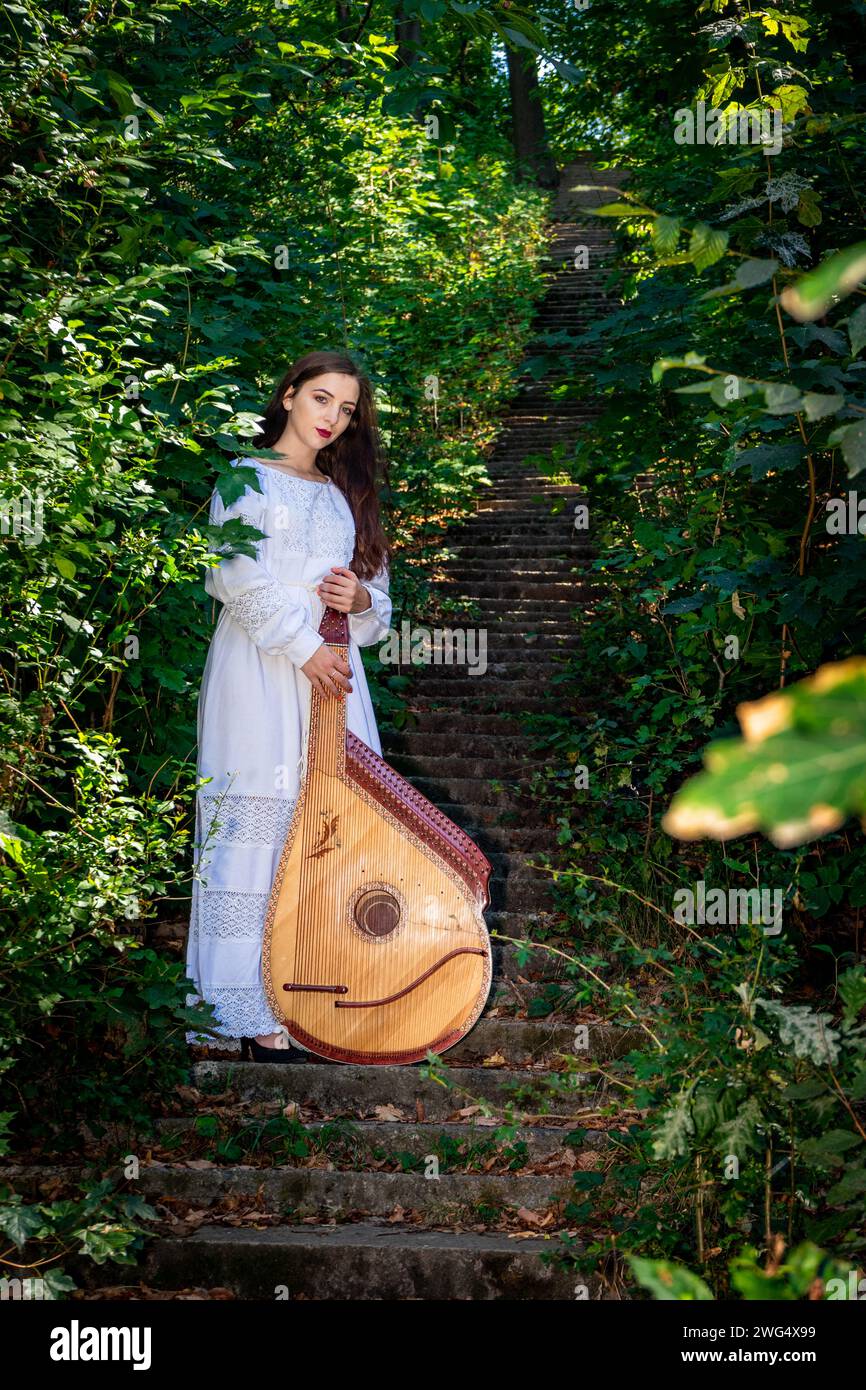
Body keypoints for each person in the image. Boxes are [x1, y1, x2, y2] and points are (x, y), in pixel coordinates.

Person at [185, 350, 393, 1062]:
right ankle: (241, 1008)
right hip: (262, 672)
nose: (332, 418)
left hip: (337, 682)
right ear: (288, 396)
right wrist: (303, 645)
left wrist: (361, 602)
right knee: (254, 825)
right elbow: (233, 574)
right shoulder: (242, 478)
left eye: (346, 409)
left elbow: (378, 598)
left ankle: (313, 994)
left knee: (331, 828)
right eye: (321, 399)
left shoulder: (344, 496)